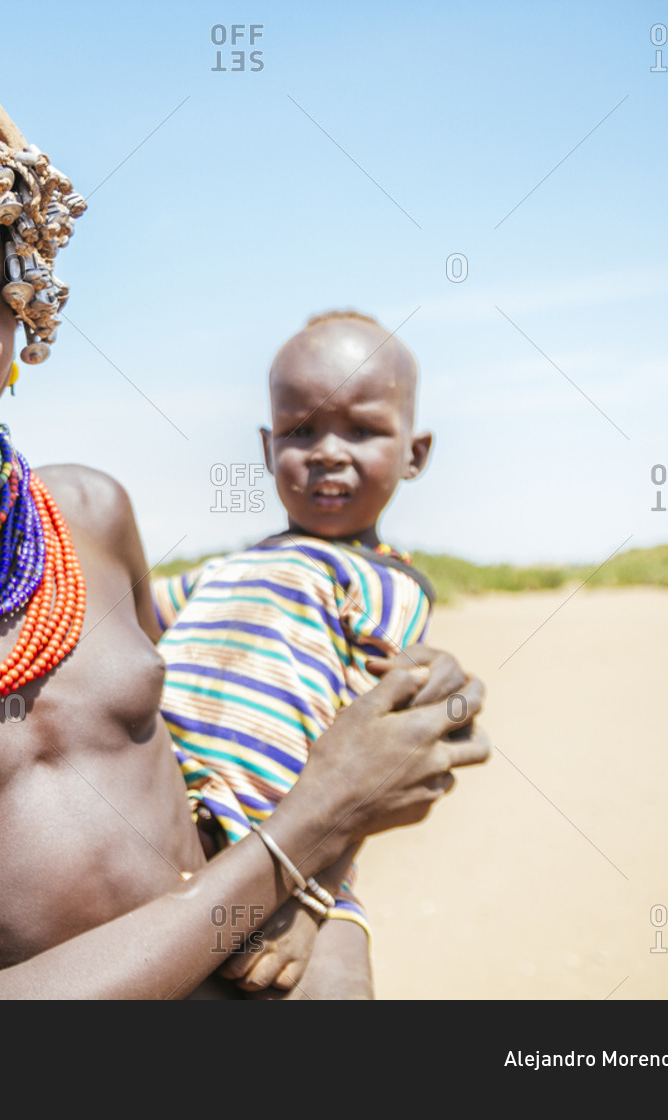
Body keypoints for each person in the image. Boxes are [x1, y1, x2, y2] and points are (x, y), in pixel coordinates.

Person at [0, 69, 487, 998]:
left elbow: (233, 738)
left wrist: (335, 878)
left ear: (20, 311)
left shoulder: (92, 518)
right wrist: (315, 822)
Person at [152, 310, 440, 996]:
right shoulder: (217, 573)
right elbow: (112, 624)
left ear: (414, 453)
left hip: (297, 864)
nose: (328, 452)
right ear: (266, 447)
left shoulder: (388, 588)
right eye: (301, 430)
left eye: (363, 430)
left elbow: (373, 768)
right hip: (160, 831)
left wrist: (312, 903)